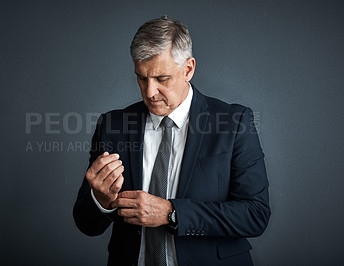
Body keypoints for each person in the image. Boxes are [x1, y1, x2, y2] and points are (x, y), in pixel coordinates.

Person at [73, 16, 270, 266]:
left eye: (161, 79)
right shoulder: (112, 126)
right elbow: (85, 223)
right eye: (141, 78)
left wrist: (171, 213)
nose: (149, 92)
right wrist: (101, 201)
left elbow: (255, 214)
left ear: (188, 69)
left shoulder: (234, 122)